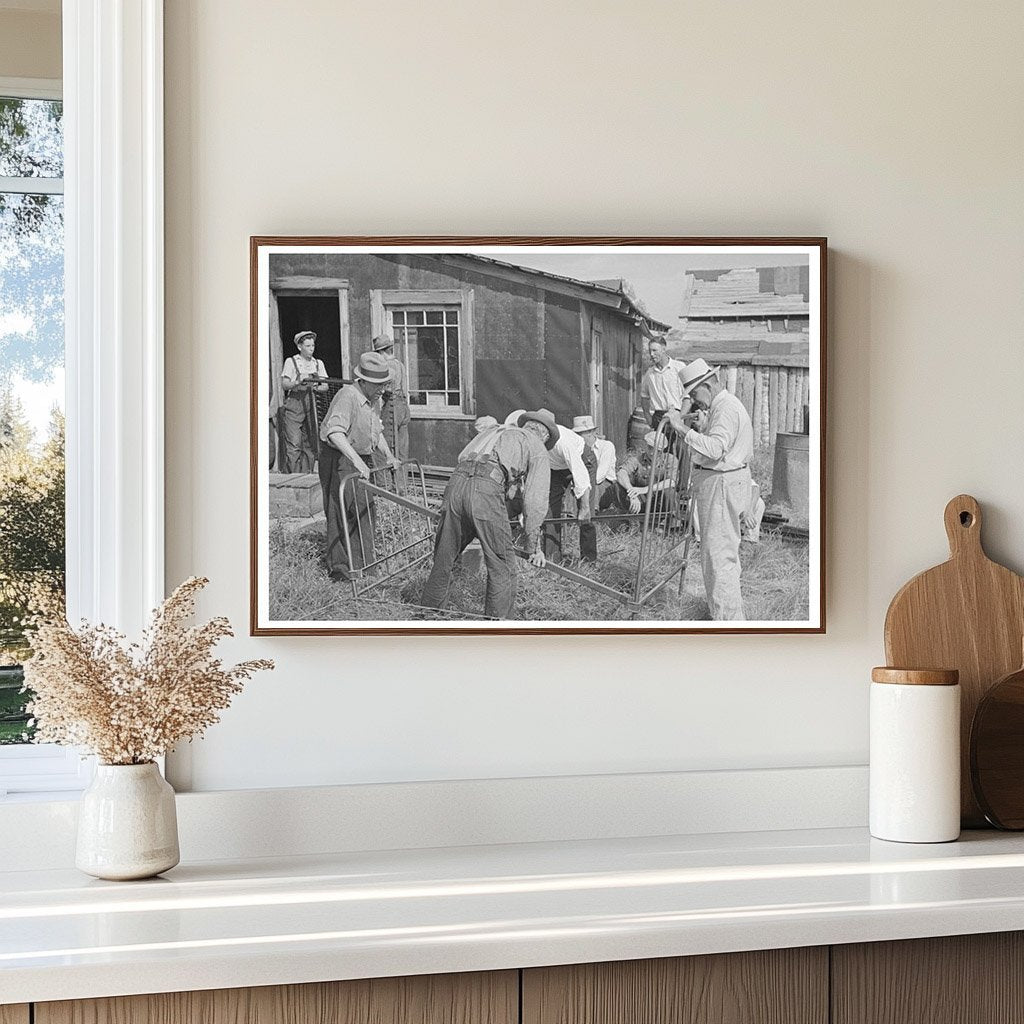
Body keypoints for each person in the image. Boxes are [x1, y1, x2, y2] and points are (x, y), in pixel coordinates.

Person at [420, 411, 554, 618]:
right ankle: (497, 627)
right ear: (544, 436)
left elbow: (464, 459)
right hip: (485, 492)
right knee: (503, 565)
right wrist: (533, 547)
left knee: (444, 557)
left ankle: (428, 617)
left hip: (455, 484)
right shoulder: (536, 446)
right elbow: (535, 502)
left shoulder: (495, 431)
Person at [667, 358, 754, 621]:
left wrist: (681, 428)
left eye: (694, 394)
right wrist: (702, 427)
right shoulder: (722, 406)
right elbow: (719, 443)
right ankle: (727, 616)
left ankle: (728, 625)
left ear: (708, 384)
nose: (695, 401)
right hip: (725, 481)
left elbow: (716, 449)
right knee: (721, 557)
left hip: (721, 484)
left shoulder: (725, 408)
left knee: (718, 559)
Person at [318, 351, 398, 582]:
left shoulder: (374, 399)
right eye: (377, 384)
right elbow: (335, 433)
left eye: (384, 383)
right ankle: (342, 571)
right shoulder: (348, 396)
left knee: (364, 511)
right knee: (340, 512)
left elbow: (376, 431)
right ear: (363, 381)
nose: (382, 388)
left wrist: (389, 455)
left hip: (360, 457)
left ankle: (365, 566)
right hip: (339, 457)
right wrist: (357, 461)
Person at [524, 409, 591, 562]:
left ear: (547, 435)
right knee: (548, 509)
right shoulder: (531, 441)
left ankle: (589, 559)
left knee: (586, 514)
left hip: (582, 461)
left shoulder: (564, 443)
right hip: (555, 468)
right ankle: (551, 558)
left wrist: (584, 507)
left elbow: (581, 475)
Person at [571, 415, 617, 562]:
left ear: (591, 432)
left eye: (581, 433)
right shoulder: (577, 448)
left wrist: (580, 484)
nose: (579, 437)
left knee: (590, 489)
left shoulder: (606, 446)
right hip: (584, 484)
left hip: (604, 485)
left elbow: (599, 475)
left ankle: (590, 518)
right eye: (577, 434)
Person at [280, 330, 328, 473]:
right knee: (294, 443)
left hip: (312, 403)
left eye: (313, 346)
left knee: (311, 443)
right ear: (300, 347)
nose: (311, 349)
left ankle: (307, 476)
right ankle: (294, 477)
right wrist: (297, 382)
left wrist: (316, 386)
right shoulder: (292, 361)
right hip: (295, 403)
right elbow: (284, 384)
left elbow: (325, 385)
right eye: (308, 346)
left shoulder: (318, 363)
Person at [614, 431, 679, 515]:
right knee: (617, 487)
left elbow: (671, 482)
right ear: (645, 445)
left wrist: (644, 490)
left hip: (660, 500)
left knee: (669, 492)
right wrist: (632, 493)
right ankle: (627, 520)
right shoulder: (637, 458)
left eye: (657, 450)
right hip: (642, 499)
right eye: (650, 447)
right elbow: (621, 473)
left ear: (663, 450)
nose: (652, 452)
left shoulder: (671, 459)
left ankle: (670, 522)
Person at [372, 334, 410, 468]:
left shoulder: (387, 366)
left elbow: (385, 389)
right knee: (402, 449)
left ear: (381, 352)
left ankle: (388, 485)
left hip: (392, 405)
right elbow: (405, 388)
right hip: (404, 406)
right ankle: (402, 484)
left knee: (387, 446)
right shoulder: (400, 364)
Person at [640, 338, 687, 433]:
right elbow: (644, 396)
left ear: (664, 349)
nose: (651, 354)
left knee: (678, 447)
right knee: (660, 446)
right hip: (659, 418)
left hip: (678, 415)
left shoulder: (679, 368)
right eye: (650, 351)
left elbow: (688, 396)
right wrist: (647, 416)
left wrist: (680, 418)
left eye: (654, 350)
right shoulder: (649, 374)